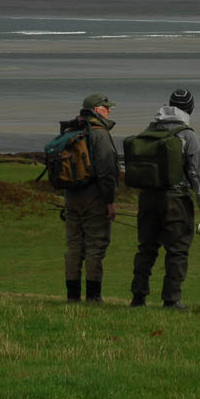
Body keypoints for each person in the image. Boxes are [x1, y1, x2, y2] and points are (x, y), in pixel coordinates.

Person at [129, 88, 200, 309]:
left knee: (146, 248)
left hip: (147, 197)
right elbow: (197, 174)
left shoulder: (150, 128)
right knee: (177, 250)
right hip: (176, 199)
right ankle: (171, 299)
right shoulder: (188, 135)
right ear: (190, 109)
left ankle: (138, 297)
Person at [63, 93, 119, 303]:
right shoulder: (99, 134)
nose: (109, 110)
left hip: (71, 197)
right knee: (95, 245)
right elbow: (106, 171)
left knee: (74, 246)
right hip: (94, 198)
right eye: (106, 107)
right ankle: (93, 296)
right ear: (97, 110)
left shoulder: (71, 130)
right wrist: (110, 201)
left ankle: (72, 296)